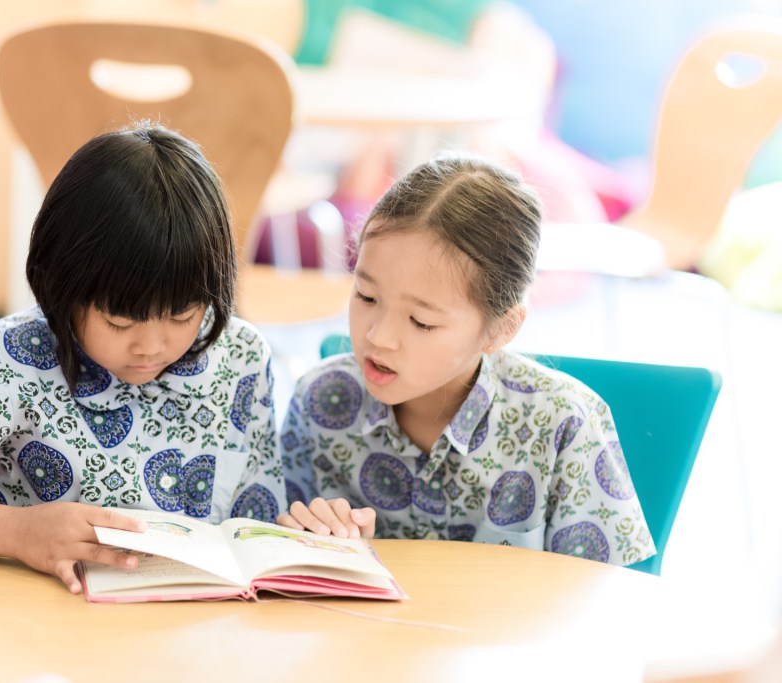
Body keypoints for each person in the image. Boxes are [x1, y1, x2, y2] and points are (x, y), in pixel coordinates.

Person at [0, 122, 285, 593]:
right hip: (26, 630)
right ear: (61, 285)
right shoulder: (8, 362)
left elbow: (256, 536)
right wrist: (19, 532)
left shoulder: (240, 358)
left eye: (182, 315)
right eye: (119, 322)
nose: (151, 346)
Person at [276, 153, 655, 567]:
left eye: (421, 322)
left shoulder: (562, 425)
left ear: (500, 330)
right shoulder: (320, 400)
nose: (377, 336)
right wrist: (321, 546)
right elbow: (269, 556)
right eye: (366, 297)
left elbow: (609, 593)